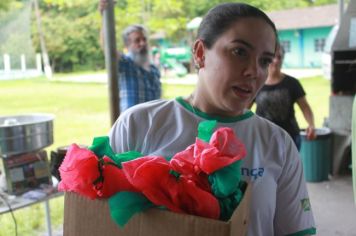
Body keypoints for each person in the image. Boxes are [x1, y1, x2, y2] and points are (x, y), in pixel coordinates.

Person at [109, 2, 316, 235]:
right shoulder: (138, 124)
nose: (254, 71)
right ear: (200, 53)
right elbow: (98, 218)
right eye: (239, 52)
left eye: (264, 61)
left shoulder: (278, 144)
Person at [99, 0, 161, 112]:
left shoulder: (154, 70)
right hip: (131, 127)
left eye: (144, 39)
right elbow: (107, 48)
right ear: (127, 45)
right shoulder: (125, 64)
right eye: (137, 40)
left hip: (154, 127)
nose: (142, 43)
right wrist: (104, 15)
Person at [254, 46, 316, 150]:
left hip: (289, 138)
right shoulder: (256, 83)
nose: (277, 60)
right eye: (273, 57)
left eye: (280, 57)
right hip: (263, 138)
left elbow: (305, 107)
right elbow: (244, 109)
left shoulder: (292, 83)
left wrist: (311, 125)